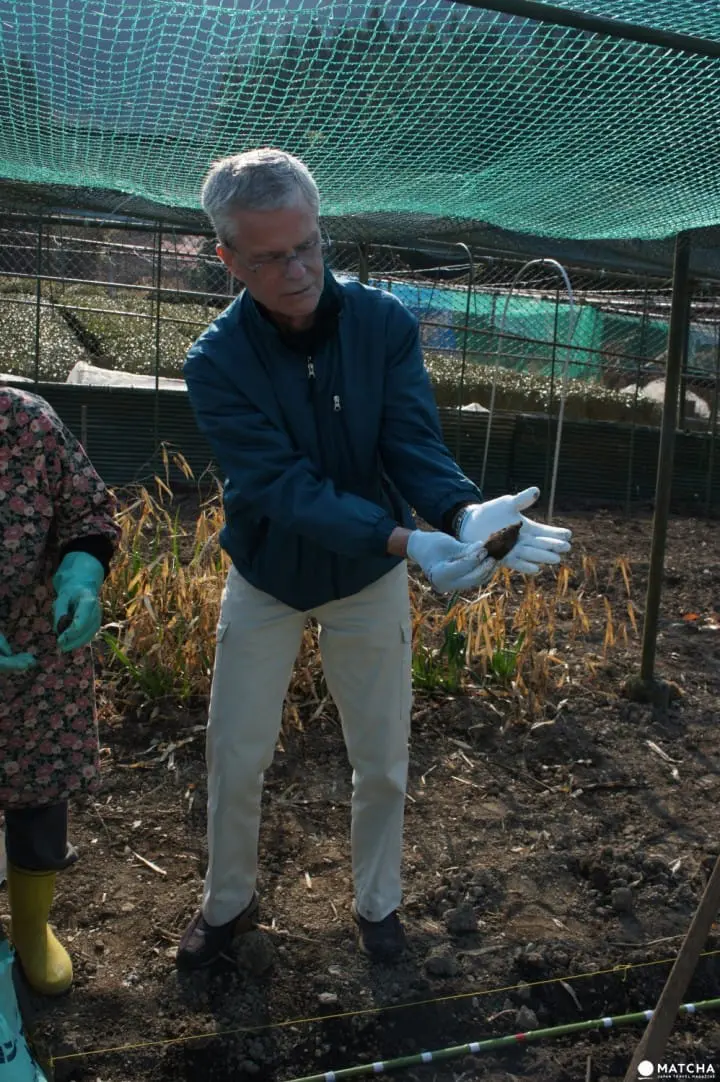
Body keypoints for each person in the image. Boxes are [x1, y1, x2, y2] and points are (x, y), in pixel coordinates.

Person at [178, 148, 572, 968]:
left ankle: (377, 904)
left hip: (365, 579)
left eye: (309, 246)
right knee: (237, 751)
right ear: (228, 259)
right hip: (270, 574)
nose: (299, 271)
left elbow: (410, 442)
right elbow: (284, 489)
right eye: (270, 257)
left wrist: (460, 512)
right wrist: (408, 540)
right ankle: (227, 905)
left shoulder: (383, 324)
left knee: (382, 758)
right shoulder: (216, 363)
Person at [0, 387, 120, 997]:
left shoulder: (25, 421)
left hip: (38, 658)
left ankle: (29, 929)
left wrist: (83, 568)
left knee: (39, 797)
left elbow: (89, 512)